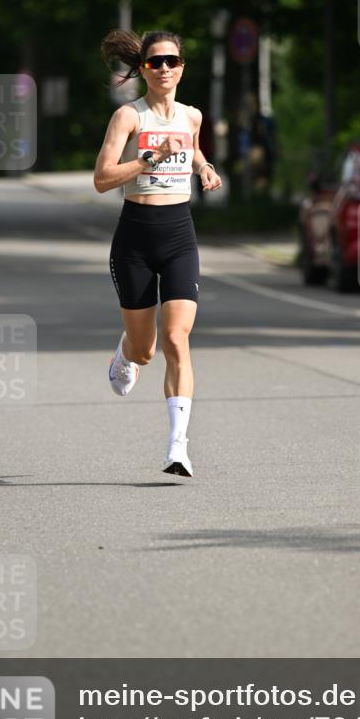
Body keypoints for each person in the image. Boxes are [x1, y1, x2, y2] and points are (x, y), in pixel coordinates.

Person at [94, 30, 222, 477]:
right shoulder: (129, 117)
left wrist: (204, 167)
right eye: (154, 63)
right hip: (135, 238)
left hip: (179, 235)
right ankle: (125, 353)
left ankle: (178, 447)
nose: (164, 69)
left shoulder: (192, 116)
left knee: (176, 339)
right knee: (146, 350)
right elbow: (103, 178)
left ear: (182, 67)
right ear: (144, 69)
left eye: (171, 61)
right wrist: (151, 158)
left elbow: (195, 148)